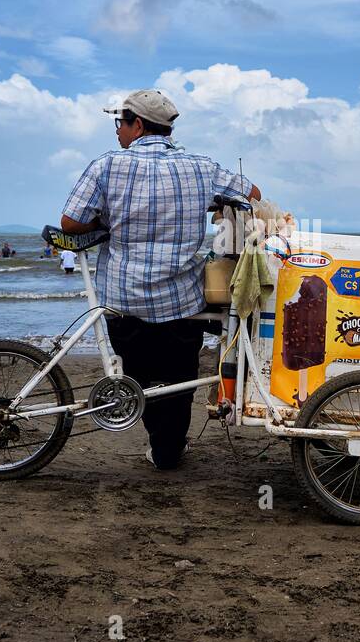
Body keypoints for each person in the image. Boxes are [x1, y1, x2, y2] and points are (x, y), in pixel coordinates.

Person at [60, 89, 261, 470]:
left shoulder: (106, 166)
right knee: (177, 379)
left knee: (140, 377)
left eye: (120, 123)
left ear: (137, 125)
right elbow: (252, 193)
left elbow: (71, 221)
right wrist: (213, 202)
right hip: (180, 302)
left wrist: (106, 220)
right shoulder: (201, 167)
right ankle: (168, 449)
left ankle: (162, 444)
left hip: (122, 301)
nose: (117, 131)